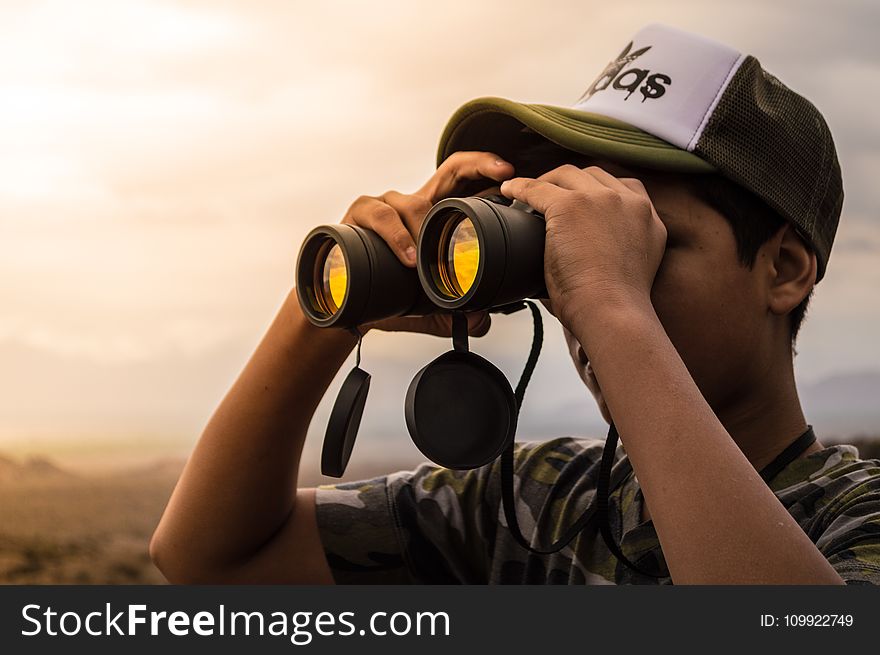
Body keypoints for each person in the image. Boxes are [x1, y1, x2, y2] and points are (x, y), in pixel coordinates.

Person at [150, 24, 880, 584]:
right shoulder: (536, 505)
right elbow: (210, 557)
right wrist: (336, 301)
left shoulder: (854, 519)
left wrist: (610, 303)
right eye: (565, 233)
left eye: (640, 234)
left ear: (784, 267)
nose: (577, 278)